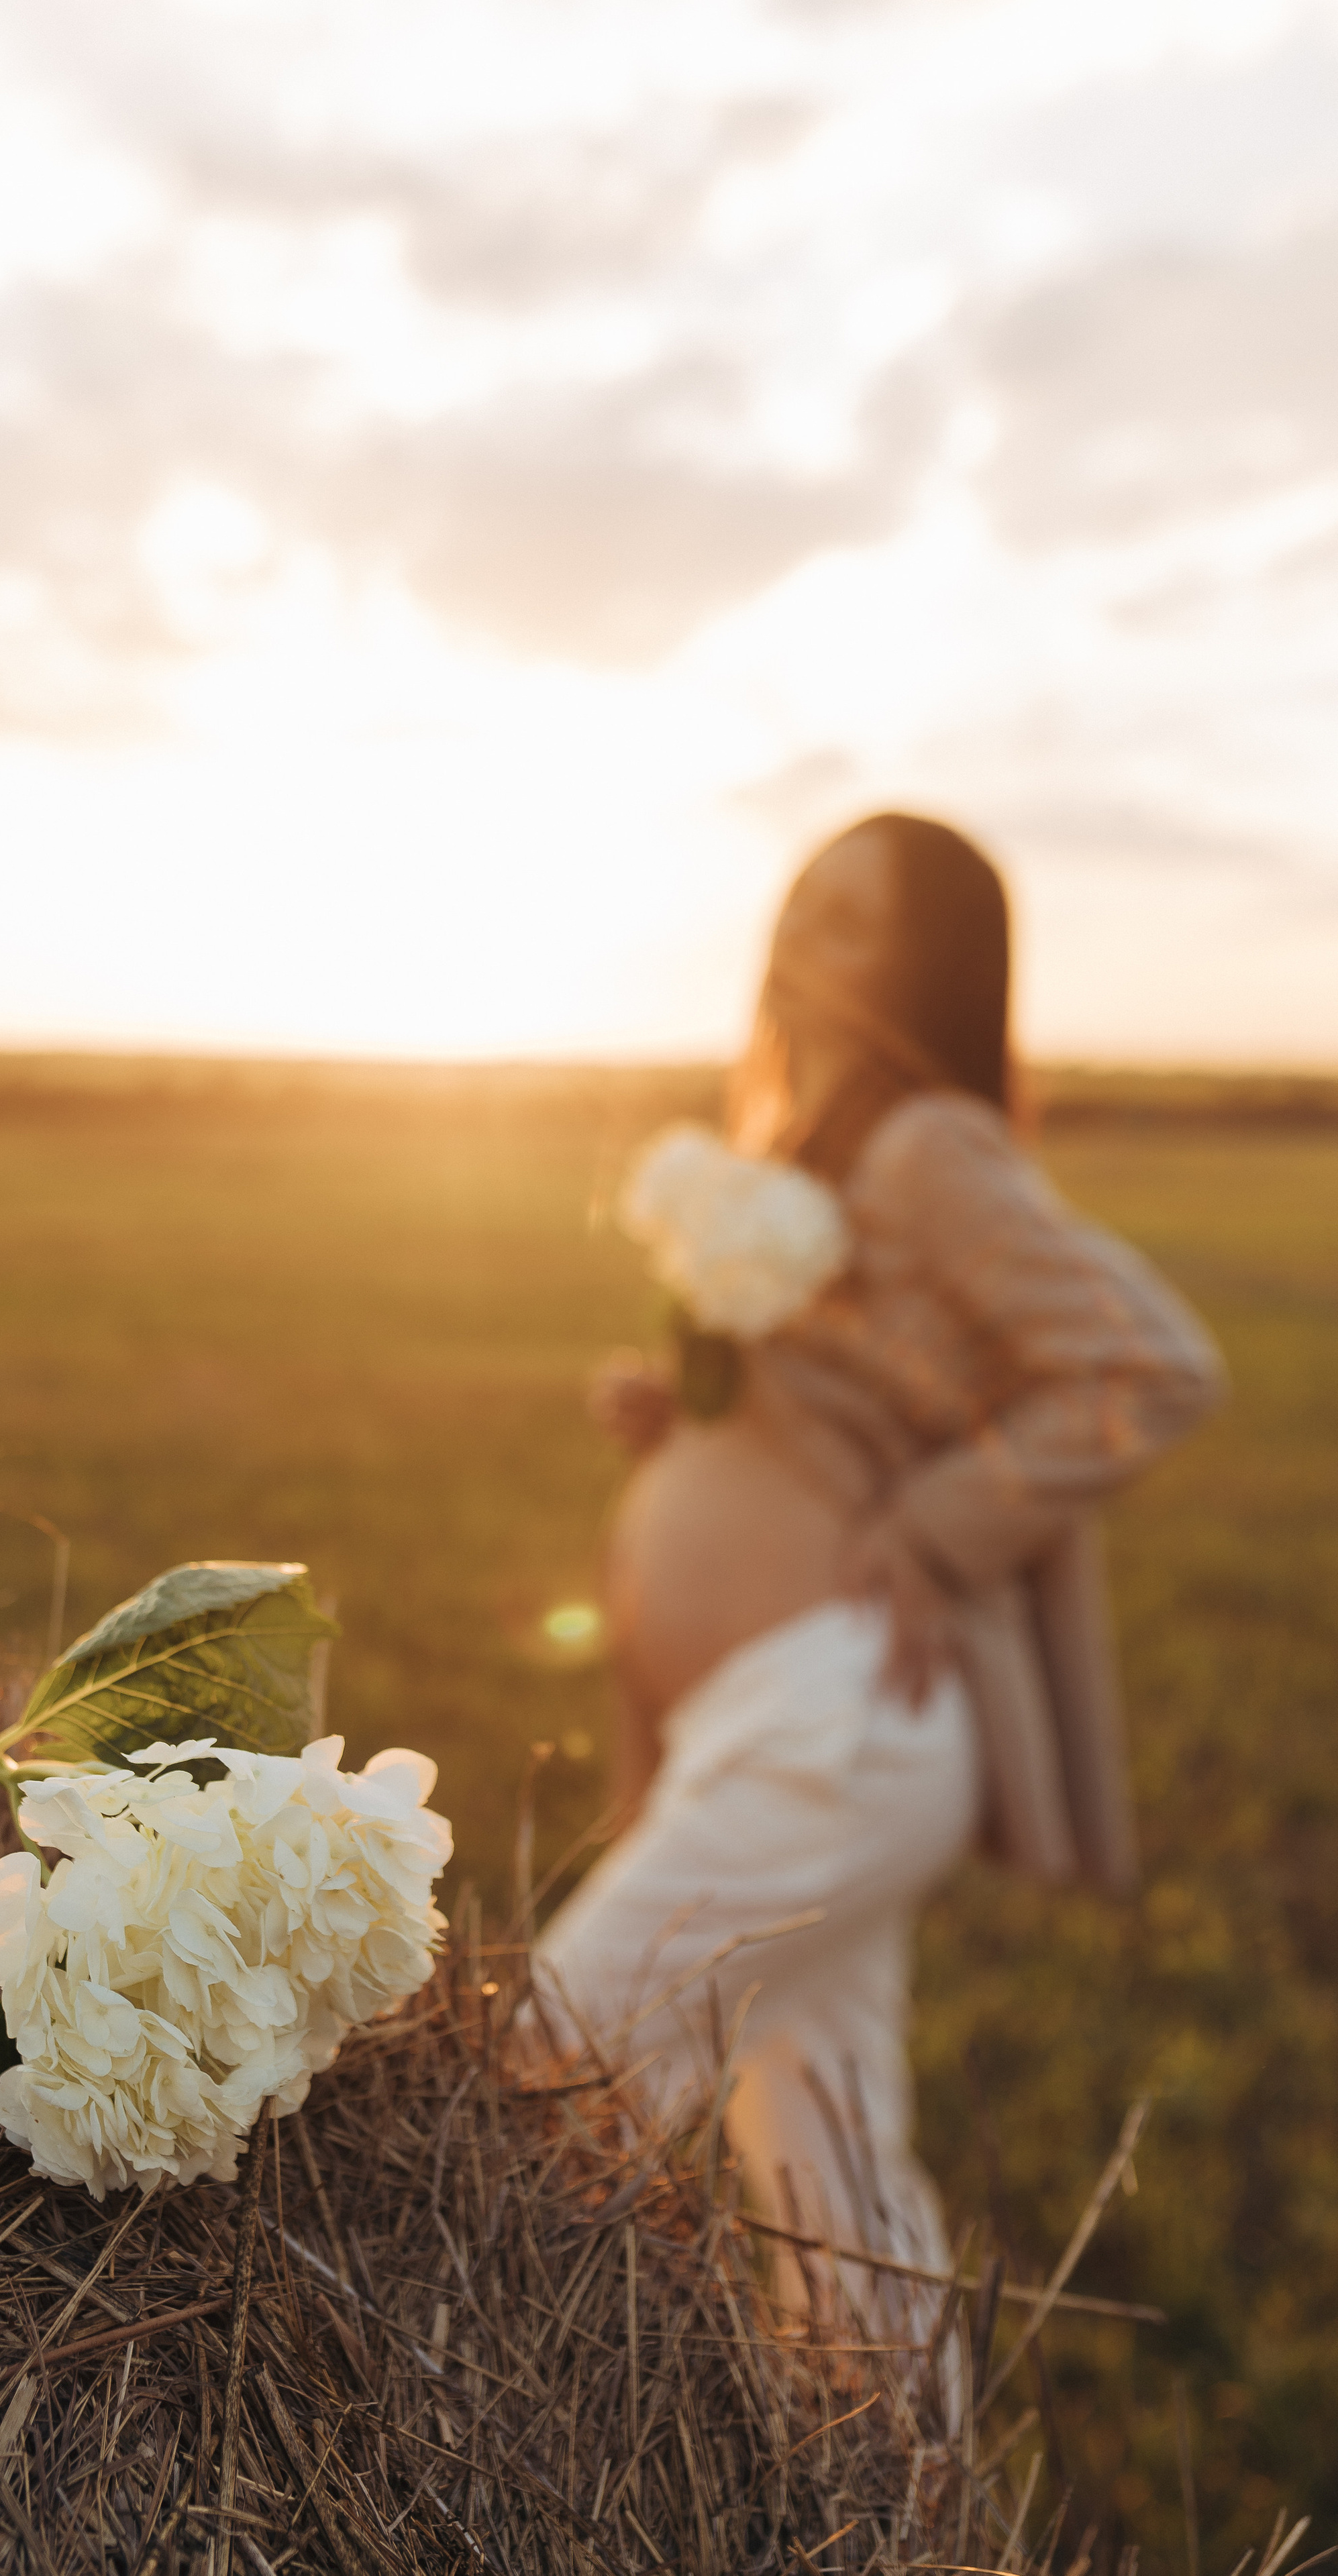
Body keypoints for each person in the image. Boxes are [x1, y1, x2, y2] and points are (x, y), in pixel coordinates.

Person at [533, 812, 1225, 2326]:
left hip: (838, 1720)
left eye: (847, 924)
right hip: (779, 1721)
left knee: (546, 2066)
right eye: (797, 908)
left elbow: (1148, 1363)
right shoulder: (812, 1150)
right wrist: (696, 1422)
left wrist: (934, 1529)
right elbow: (864, 1400)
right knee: (834, 2203)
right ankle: (919, 2526)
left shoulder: (924, 1145)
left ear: (924, 971)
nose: (797, 945)